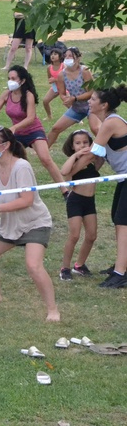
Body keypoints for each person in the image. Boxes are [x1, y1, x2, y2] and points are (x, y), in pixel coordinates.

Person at [0, 127, 60, 322]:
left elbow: (27, 200)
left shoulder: (22, 167)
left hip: (34, 222)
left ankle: (53, 310)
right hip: (9, 222)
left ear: (6, 145)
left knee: (33, 266)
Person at [0, 66, 65, 187]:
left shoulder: (28, 95)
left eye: (14, 78)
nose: (10, 81)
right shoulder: (6, 95)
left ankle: (65, 190)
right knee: (6, 160)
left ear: (22, 81)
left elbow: (30, 118)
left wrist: (15, 127)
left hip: (34, 131)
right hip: (18, 134)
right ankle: (9, 188)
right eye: (9, 78)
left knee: (45, 159)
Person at [87, 86, 127, 289]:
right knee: (116, 218)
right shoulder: (107, 121)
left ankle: (121, 274)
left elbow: (94, 152)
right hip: (123, 178)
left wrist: (71, 166)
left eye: (93, 99)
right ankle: (122, 265)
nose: (89, 101)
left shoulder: (110, 123)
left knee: (123, 223)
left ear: (104, 105)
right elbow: (100, 157)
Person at [59, 129, 103, 281]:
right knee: (75, 235)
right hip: (76, 201)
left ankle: (79, 265)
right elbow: (64, 172)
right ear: (72, 146)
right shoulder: (75, 161)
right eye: (77, 143)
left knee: (91, 236)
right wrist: (76, 155)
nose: (82, 145)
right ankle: (65, 268)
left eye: (85, 142)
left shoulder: (93, 160)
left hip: (90, 201)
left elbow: (102, 156)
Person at [47, 47, 99, 148]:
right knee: (55, 128)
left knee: (96, 129)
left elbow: (91, 92)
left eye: (70, 56)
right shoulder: (62, 74)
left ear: (78, 58)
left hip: (91, 106)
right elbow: (61, 92)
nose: (67, 58)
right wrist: (65, 99)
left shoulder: (84, 71)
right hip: (76, 107)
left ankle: (111, 149)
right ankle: (43, 151)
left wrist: (74, 98)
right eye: (66, 56)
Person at [42, 49, 64, 120]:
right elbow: (49, 79)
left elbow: (67, 79)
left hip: (64, 87)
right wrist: (51, 81)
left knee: (67, 102)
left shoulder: (63, 66)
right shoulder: (49, 67)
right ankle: (49, 116)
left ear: (60, 56)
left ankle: (78, 118)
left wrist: (55, 79)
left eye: (55, 54)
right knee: (45, 101)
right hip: (55, 88)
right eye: (52, 54)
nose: (53, 56)